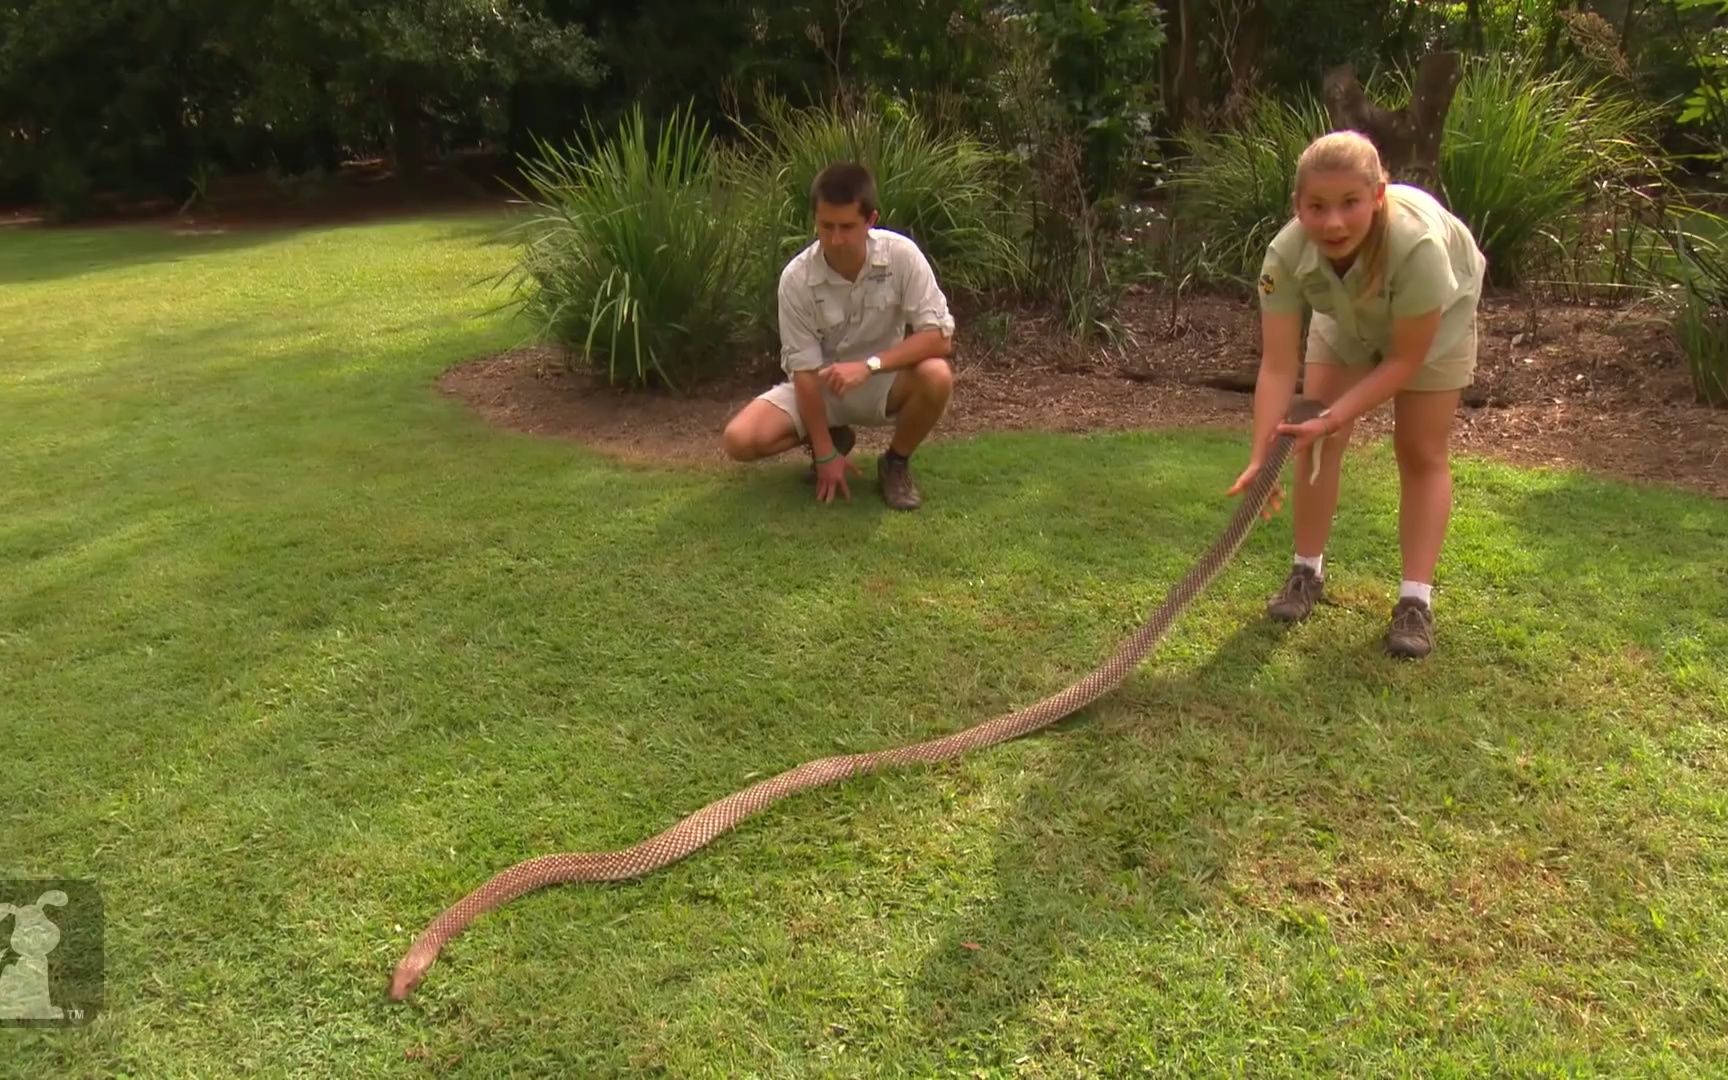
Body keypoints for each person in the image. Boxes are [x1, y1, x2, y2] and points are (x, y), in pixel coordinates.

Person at [1228, 129, 1488, 660]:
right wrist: (1262, 455)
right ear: (1297, 206)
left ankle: (1415, 601)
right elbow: (1278, 364)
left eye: (1350, 202)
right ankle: (1306, 573)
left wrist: (1333, 415)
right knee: (1316, 441)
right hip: (1344, 314)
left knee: (1419, 449)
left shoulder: (1417, 246)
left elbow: (1404, 360)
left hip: (1434, 322)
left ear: (1378, 195)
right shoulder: (1284, 256)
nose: (1334, 221)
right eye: (1316, 206)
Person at [721, 161, 956, 511]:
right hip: (820, 388)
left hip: (881, 382)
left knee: (937, 375)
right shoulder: (796, 279)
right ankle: (832, 439)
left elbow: (939, 338)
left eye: (846, 227)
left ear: (871, 220)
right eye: (825, 225)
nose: (834, 239)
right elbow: (802, 371)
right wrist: (825, 452)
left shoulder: (901, 256)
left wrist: (869, 365)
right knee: (739, 440)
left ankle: (895, 463)